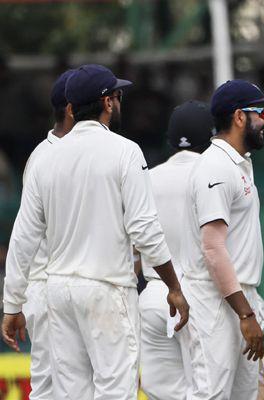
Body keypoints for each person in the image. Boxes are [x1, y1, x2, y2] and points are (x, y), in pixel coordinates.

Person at [1, 64, 189, 399]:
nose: (119, 103)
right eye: (118, 96)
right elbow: (144, 228)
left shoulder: (46, 157)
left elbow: (23, 237)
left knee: (71, 393)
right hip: (106, 288)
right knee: (115, 390)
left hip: (59, 290)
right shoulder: (124, 151)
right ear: (107, 102)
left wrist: (12, 304)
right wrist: (173, 285)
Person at [180, 79, 264, 399]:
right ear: (239, 117)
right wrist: (245, 314)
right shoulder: (216, 166)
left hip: (237, 298)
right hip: (215, 302)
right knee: (212, 394)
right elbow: (213, 248)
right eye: (261, 112)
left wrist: (247, 307)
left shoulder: (238, 163)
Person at [139, 100, 214, 400]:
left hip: (155, 297)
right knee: (208, 392)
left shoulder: (149, 177)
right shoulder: (214, 173)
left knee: (162, 394)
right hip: (200, 297)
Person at [11, 69, 75, 400]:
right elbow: (25, 237)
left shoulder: (53, 153)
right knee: (56, 389)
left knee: (55, 388)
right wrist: (13, 301)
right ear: (72, 108)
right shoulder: (47, 157)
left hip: (55, 287)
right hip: (51, 287)